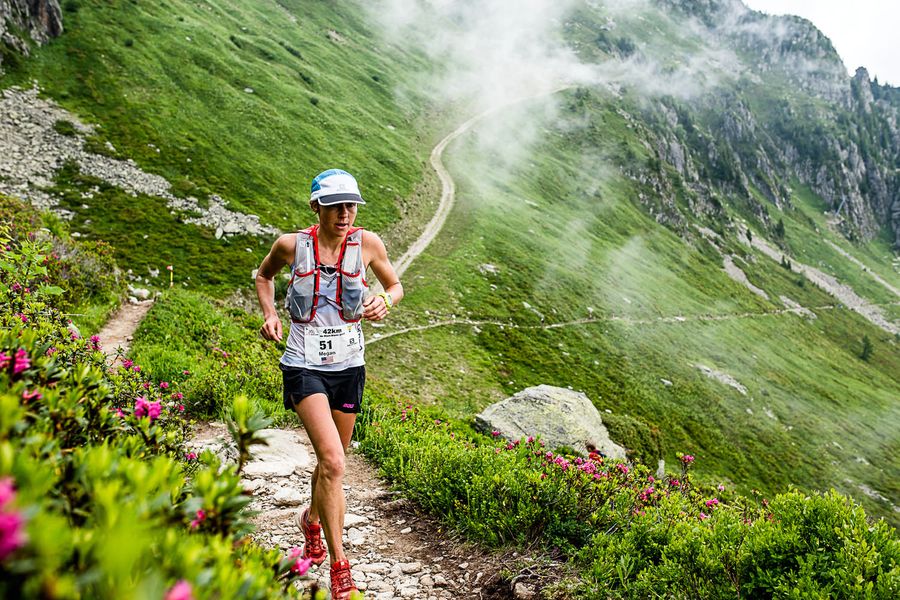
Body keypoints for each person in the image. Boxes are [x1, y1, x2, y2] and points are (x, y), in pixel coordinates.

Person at [255, 169, 402, 599]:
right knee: (336, 462)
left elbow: (395, 286)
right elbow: (263, 276)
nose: (345, 213)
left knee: (330, 461)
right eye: (335, 205)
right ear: (315, 206)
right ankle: (341, 571)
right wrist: (270, 314)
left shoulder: (368, 243)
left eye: (351, 204)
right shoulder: (290, 245)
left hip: (350, 365)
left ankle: (312, 521)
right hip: (304, 363)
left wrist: (384, 300)